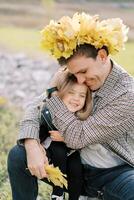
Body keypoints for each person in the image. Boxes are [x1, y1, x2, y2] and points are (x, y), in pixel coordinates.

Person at [8, 12, 134, 200]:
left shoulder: (127, 95)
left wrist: (52, 92)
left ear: (102, 55)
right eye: (75, 74)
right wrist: (31, 144)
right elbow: (35, 107)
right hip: (73, 167)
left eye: (83, 71)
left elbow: (77, 136)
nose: (80, 80)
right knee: (19, 156)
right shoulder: (76, 75)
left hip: (117, 174)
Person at [39, 69, 92, 200]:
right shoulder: (51, 112)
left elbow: (86, 137)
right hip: (53, 149)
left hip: (72, 151)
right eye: (71, 93)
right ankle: (58, 192)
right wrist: (37, 144)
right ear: (61, 94)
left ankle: (74, 197)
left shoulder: (82, 117)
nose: (76, 99)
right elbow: (42, 128)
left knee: (76, 170)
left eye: (82, 95)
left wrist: (67, 138)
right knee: (59, 152)